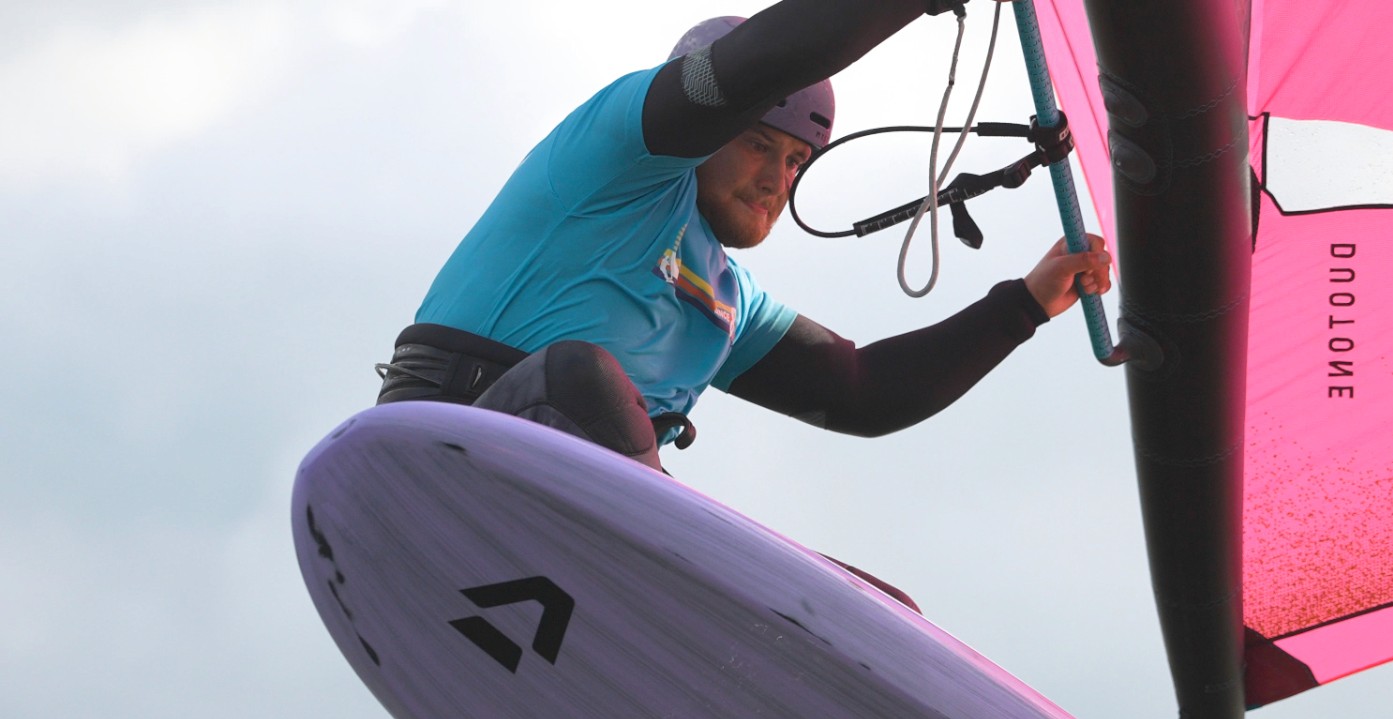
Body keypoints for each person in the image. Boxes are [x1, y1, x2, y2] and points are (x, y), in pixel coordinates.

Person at [375, 0, 1111, 608]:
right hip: (449, 447)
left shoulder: (726, 297)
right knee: (583, 378)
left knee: (868, 608)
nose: (777, 179)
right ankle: (688, 586)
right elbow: (763, 61)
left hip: (577, 517)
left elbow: (862, 390)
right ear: (709, 129)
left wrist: (1024, 304)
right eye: (760, 145)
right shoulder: (616, 158)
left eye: (796, 160)